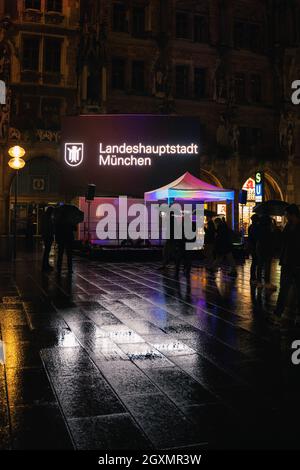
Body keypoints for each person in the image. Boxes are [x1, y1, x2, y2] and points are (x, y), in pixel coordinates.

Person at [274, 204, 300, 321]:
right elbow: (282, 241)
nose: (285, 217)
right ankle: (277, 313)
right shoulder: (288, 226)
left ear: (292, 214)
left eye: (286, 215)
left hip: (297, 263)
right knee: (283, 289)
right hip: (287, 262)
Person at [256, 214, 276, 290]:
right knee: (267, 266)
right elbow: (273, 238)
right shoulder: (269, 229)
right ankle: (267, 282)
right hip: (268, 248)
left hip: (260, 247)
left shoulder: (259, 228)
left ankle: (259, 282)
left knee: (260, 265)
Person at [55, 210, 75, 275]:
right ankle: (70, 268)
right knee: (69, 255)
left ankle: (59, 268)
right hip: (68, 239)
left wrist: (57, 239)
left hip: (61, 239)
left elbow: (57, 231)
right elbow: (74, 229)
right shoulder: (70, 221)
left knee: (60, 254)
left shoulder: (59, 221)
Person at [41, 207, 54, 272]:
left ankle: (46, 264)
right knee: (47, 251)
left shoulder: (46, 217)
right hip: (48, 236)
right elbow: (48, 227)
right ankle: (45, 265)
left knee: (47, 251)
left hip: (47, 236)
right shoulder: (48, 218)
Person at [248, 214, 260, 284]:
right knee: (256, 262)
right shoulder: (257, 227)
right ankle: (254, 277)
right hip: (255, 246)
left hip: (252, 246)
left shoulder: (251, 227)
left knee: (254, 262)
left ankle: (253, 277)